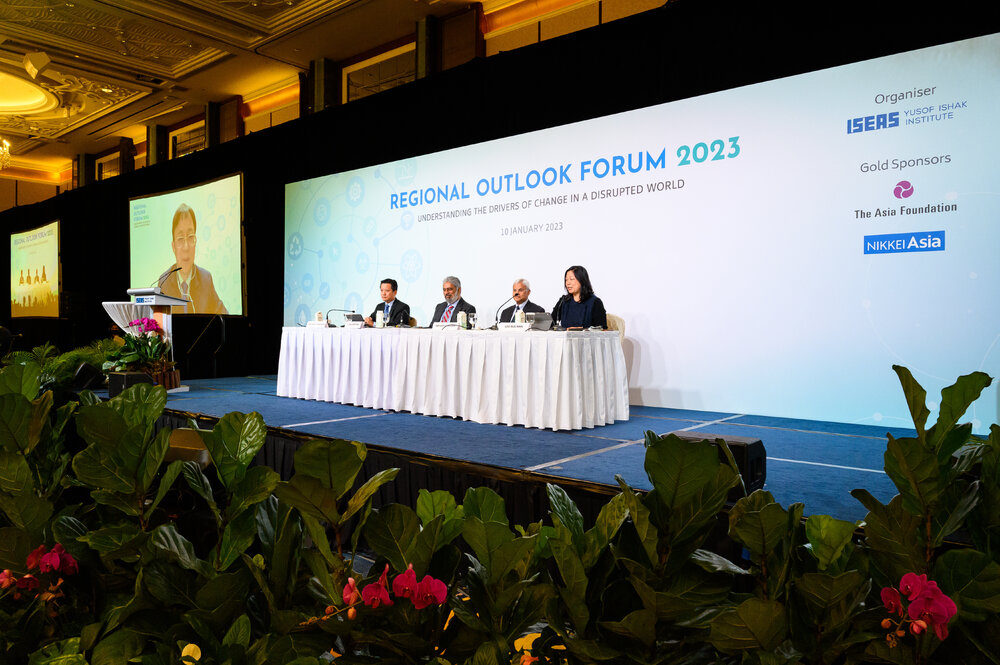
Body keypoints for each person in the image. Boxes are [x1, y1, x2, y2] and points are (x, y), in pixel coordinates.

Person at [160, 203, 228, 314]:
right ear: (173, 247)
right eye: (181, 238)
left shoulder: (206, 279)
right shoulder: (164, 282)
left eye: (191, 237)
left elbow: (224, 316)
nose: (186, 247)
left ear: (195, 242)